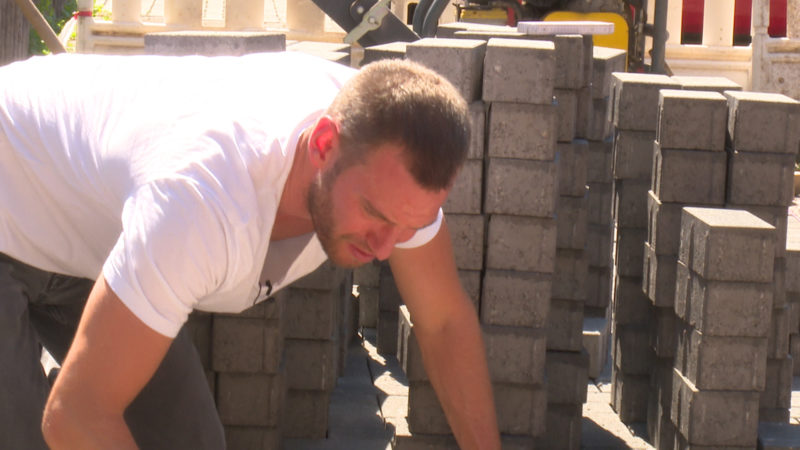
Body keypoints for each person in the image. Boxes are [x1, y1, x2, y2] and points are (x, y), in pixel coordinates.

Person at [0, 51, 500, 449]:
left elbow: (443, 322)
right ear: (324, 143)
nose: (386, 247)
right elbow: (76, 418)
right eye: (376, 214)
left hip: (86, 224)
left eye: (408, 225)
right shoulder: (204, 203)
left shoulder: (388, 159)